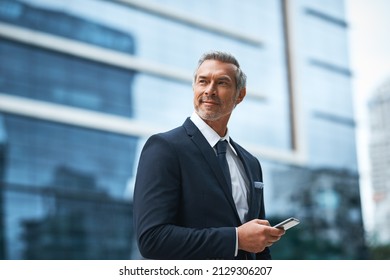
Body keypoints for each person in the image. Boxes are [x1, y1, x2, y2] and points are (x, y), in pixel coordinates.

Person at [133, 51, 285, 260]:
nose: (210, 90)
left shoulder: (251, 163)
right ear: (194, 87)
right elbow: (152, 239)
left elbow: (259, 248)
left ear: (239, 95)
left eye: (222, 83)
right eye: (203, 81)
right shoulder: (164, 148)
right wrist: (236, 239)